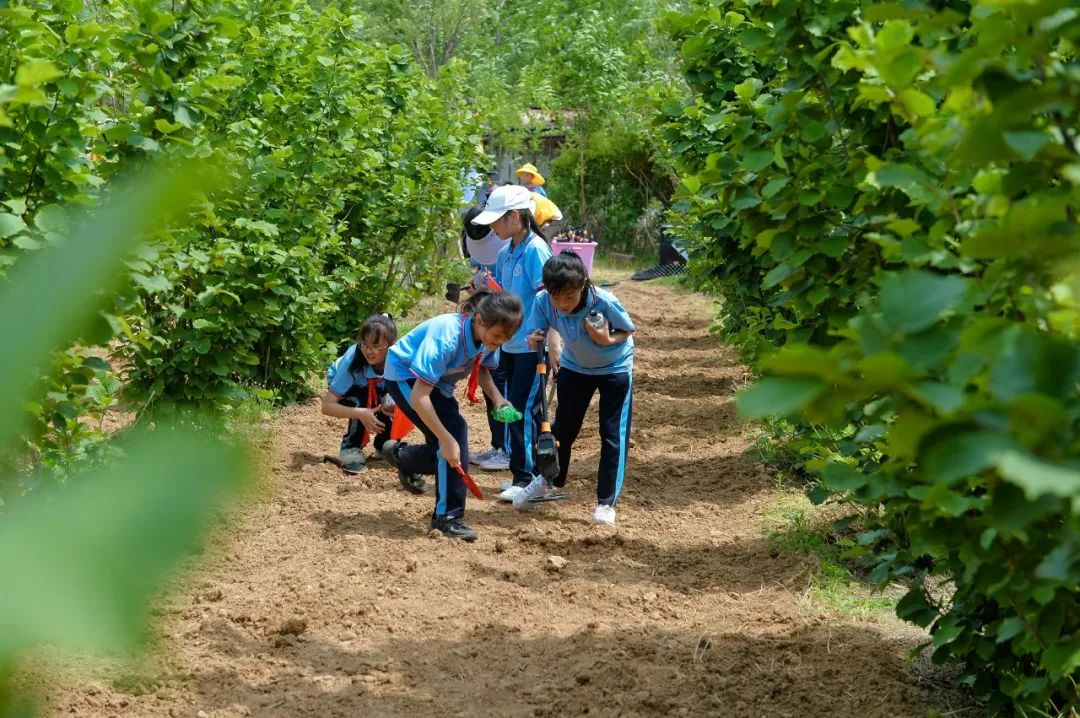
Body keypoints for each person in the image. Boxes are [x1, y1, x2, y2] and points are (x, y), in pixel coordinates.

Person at [379, 291, 523, 541]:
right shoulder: (447, 337)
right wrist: (446, 439)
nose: (499, 342)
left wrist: (498, 399)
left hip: (437, 382)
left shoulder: (488, 339)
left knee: (449, 441)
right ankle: (447, 518)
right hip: (405, 377)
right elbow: (419, 397)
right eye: (497, 336)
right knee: (452, 437)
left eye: (505, 339)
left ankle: (405, 456)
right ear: (479, 320)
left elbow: (483, 372)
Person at [522, 251, 635, 526]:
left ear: (583, 283)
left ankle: (606, 503)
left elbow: (627, 330)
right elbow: (535, 332)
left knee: (611, 435)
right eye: (556, 296)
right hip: (575, 368)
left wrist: (604, 338)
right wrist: (534, 339)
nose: (562, 304)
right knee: (563, 429)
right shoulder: (542, 301)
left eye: (569, 297)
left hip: (615, 369)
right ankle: (549, 480)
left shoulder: (604, 301)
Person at [470, 186, 554, 501]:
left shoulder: (535, 251)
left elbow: (546, 297)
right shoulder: (505, 253)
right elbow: (507, 294)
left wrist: (548, 339)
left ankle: (529, 477)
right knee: (512, 409)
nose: (492, 228)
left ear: (515, 217)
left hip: (531, 345)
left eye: (496, 222)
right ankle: (521, 472)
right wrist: (485, 286)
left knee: (523, 410)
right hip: (508, 343)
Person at [460, 206, 513, 471]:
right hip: (488, 323)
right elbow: (483, 273)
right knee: (490, 380)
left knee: (500, 383)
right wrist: (477, 283)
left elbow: (507, 290)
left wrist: (487, 286)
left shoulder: (511, 247)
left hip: (503, 328)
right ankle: (497, 445)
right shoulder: (483, 245)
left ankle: (506, 449)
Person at [320, 314, 399, 474]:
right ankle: (350, 447)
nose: (369, 351)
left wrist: (396, 399)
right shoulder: (353, 361)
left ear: (391, 345)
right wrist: (361, 413)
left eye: (376, 346)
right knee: (363, 401)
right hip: (350, 388)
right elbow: (327, 406)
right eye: (365, 345)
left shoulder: (399, 359)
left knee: (393, 401)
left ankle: (384, 446)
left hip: (377, 386)